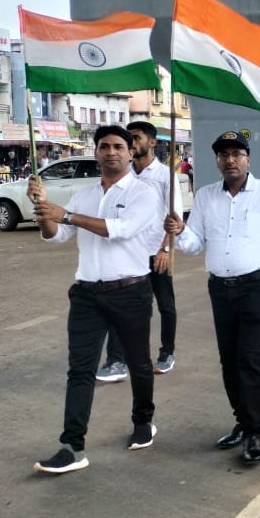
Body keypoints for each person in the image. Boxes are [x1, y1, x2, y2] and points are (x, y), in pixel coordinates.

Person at [165, 131, 260, 466]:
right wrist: (180, 231)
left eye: (237, 154)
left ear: (248, 159)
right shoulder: (205, 196)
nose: (230, 160)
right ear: (216, 160)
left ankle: (254, 430)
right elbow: (197, 244)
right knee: (228, 358)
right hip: (220, 288)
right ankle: (242, 422)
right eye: (223, 154)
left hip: (259, 284)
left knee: (250, 356)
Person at [29, 125, 160, 474]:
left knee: (138, 363)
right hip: (87, 293)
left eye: (119, 146)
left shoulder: (143, 193)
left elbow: (121, 230)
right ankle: (72, 446)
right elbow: (57, 236)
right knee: (80, 370)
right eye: (104, 146)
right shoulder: (84, 194)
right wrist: (45, 215)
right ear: (96, 152)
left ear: (131, 152)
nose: (111, 152)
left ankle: (143, 420)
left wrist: (65, 215)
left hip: (130, 291)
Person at [95, 120, 183, 382]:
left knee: (165, 304)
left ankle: (166, 353)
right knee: (121, 305)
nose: (132, 143)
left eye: (136, 138)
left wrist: (166, 248)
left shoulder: (165, 175)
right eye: (129, 138)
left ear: (152, 142)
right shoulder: (126, 175)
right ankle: (116, 361)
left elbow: (174, 215)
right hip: (129, 251)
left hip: (157, 252)